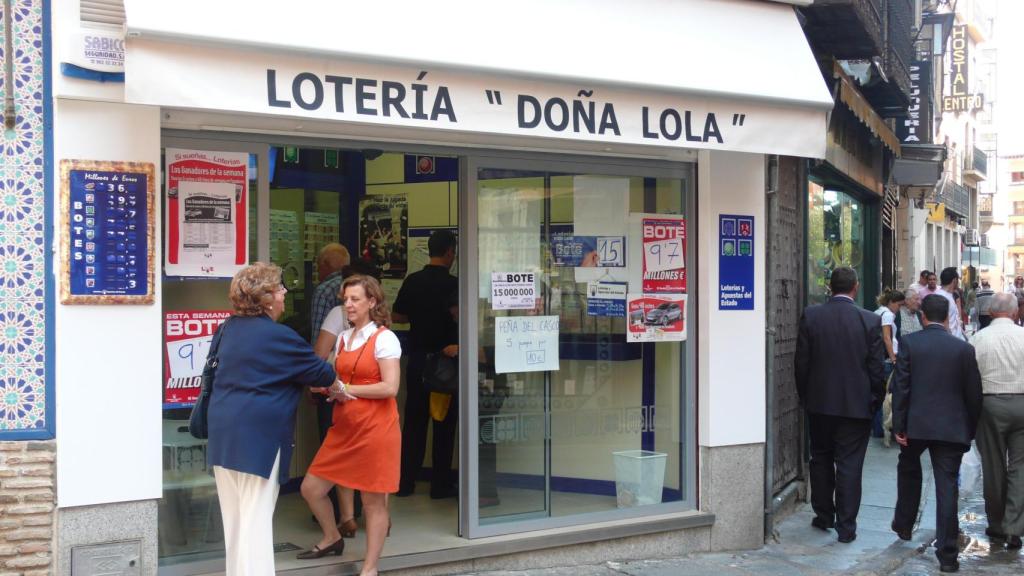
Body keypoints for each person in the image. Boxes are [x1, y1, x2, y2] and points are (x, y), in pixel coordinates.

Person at [207, 263, 337, 575]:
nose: (284, 294)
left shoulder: (228, 328)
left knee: (236, 521)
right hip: (260, 439)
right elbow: (323, 372)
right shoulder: (279, 336)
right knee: (256, 519)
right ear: (265, 298)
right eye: (279, 289)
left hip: (224, 433)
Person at [299, 275, 402, 576]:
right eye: (346, 299)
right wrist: (325, 387)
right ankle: (332, 536)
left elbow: (390, 387)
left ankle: (369, 568)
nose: (349, 305)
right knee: (311, 488)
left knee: (373, 502)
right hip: (344, 426)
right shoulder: (344, 338)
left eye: (355, 299)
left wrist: (347, 389)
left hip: (375, 429)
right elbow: (337, 378)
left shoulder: (384, 338)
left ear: (372, 302)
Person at [890, 294, 982, 573]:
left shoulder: (910, 344)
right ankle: (948, 555)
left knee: (908, 470)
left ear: (923, 316)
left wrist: (899, 426)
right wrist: (969, 429)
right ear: (946, 318)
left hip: (916, 426)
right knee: (946, 489)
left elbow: (901, 388)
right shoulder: (963, 349)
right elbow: (974, 395)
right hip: (951, 428)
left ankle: (904, 524)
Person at [795, 267, 886, 543]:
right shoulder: (869, 321)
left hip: (820, 404)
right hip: (856, 406)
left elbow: (802, 363)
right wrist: (874, 403)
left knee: (820, 458)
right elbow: (876, 371)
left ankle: (824, 515)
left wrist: (806, 398)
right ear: (855, 288)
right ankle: (846, 527)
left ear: (830, 287)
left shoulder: (812, 316)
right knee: (849, 465)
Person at [392, 230, 459, 499]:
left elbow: (397, 315)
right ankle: (440, 485)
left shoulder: (413, 280)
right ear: (449, 252)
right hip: (446, 364)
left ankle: (406, 482)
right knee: (444, 424)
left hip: (418, 362)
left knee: (415, 423)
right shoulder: (455, 284)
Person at [970, 293, 1024, 549]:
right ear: (1015, 313)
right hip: (1022, 402)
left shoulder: (977, 339)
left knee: (993, 467)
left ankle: (996, 524)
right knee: (1020, 467)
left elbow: (968, 380)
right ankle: (1014, 526)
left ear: (990, 313)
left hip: (989, 404)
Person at [873, 290, 905, 438]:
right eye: (899, 305)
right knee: (886, 396)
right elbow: (887, 337)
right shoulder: (887, 314)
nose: (899, 309)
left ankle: (879, 428)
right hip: (887, 360)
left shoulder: (879, 311)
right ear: (892, 302)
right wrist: (893, 358)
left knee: (880, 395)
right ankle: (882, 429)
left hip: (880, 358)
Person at [935, 267, 965, 340]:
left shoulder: (949, 295)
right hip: (950, 340)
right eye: (958, 280)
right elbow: (943, 323)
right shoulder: (942, 297)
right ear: (954, 280)